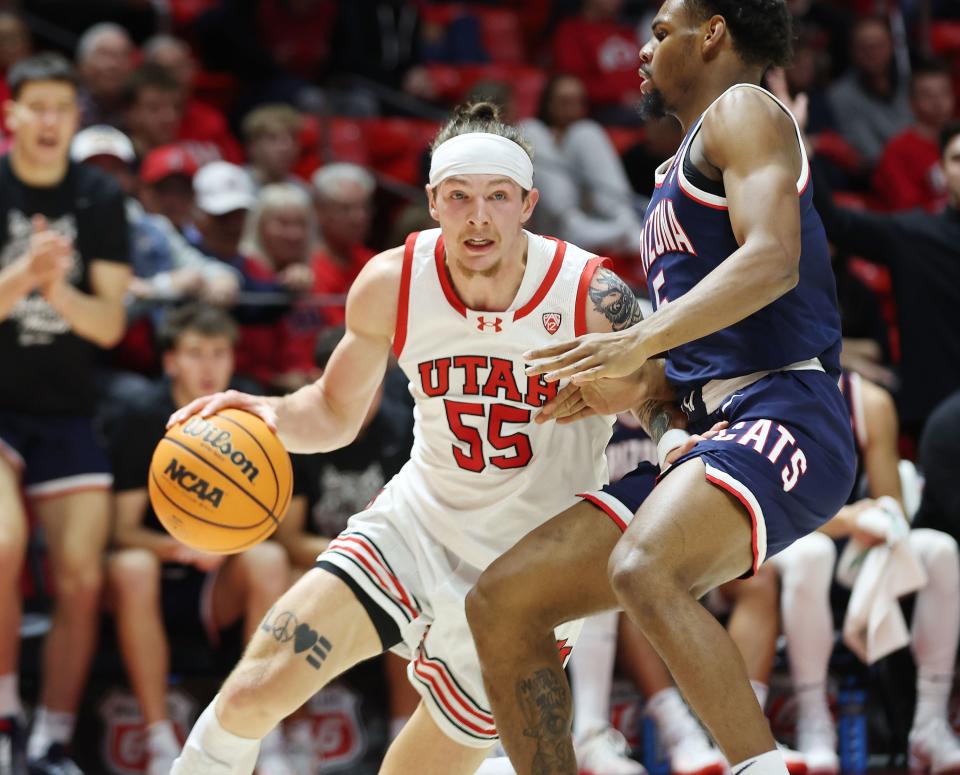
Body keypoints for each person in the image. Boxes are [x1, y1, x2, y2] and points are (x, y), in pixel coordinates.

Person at [168, 100, 671, 775]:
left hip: (526, 575)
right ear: (432, 201)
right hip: (416, 525)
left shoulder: (590, 292)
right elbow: (334, 411)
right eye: (459, 196)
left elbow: (662, 394)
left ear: (528, 203)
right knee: (253, 688)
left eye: (498, 196)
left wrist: (673, 441)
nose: (479, 215)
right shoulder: (391, 281)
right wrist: (267, 415)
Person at [465, 4, 857, 775]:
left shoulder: (743, 111)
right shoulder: (671, 175)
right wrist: (634, 384)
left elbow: (774, 258)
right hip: (720, 422)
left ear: (711, 33)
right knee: (502, 601)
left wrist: (639, 336)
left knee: (644, 567)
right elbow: (700, 345)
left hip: (790, 411)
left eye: (661, 31)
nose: (644, 50)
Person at [0, 53, 131, 773]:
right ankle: (4, 719)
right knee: (0, 546)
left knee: (83, 576)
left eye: (61, 107)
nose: (49, 120)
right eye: (36, 106)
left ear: (75, 118)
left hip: (66, 406)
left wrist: (55, 290)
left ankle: (51, 737)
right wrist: (25, 272)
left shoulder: (99, 198)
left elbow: (109, 325)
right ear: (13, 113)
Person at [103, 304, 294, 775]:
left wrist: (225, 545)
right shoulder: (143, 415)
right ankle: (157, 740)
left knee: (270, 559)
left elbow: (269, 520)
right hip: (154, 578)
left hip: (216, 589)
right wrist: (177, 546)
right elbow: (120, 529)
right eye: (194, 353)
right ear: (170, 361)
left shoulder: (249, 415)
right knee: (131, 566)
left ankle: (265, 739)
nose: (208, 366)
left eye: (218, 353)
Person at [771, 372, 960, 775]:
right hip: (786, 540)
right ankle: (813, 720)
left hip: (855, 548)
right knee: (813, 555)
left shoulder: (868, 402)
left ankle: (929, 723)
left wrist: (876, 519)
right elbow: (765, 503)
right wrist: (846, 520)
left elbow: (891, 507)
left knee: (940, 550)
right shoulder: (760, 390)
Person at [808, 120, 960, 440]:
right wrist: (804, 153)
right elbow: (836, 223)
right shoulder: (914, 235)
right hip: (935, 421)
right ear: (942, 172)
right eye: (957, 159)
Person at [521, 74, 644, 256]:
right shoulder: (536, 132)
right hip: (550, 226)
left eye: (577, 102)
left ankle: (625, 221)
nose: (571, 109)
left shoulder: (581, 135)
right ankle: (571, 224)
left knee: (587, 131)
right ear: (548, 104)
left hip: (593, 220)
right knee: (529, 128)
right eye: (564, 102)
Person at [872, 59, 956, 212]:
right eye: (928, 95)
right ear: (912, 102)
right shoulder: (897, 151)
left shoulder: (956, 140)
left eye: (944, 92)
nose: (938, 102)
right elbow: (908, 213)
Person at [310, 163, 376, 326]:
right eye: (345, 209)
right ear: (320, 211)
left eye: (364, 207)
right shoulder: (307, 266)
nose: (358, 217)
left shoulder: (374, 262)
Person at [75, 22, 134, 128]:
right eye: (105, 54)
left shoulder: (137, 109)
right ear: (83, 64)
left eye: (122, 55)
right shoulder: (69, 108)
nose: (114, 65)